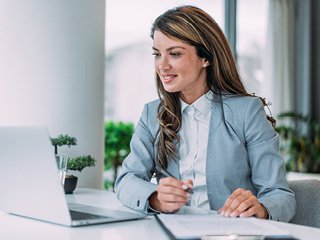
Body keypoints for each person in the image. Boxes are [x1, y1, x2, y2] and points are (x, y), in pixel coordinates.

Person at [115, 5, 296, 222]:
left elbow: (280, 195)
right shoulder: (152, 113)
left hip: (231, 233)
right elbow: (126, 180)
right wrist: (155, 198)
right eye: (157, 54)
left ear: (206, 58)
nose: (162, 65)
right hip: (171, 231)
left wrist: (260, 208)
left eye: (174, 54)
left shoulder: (246, 111)